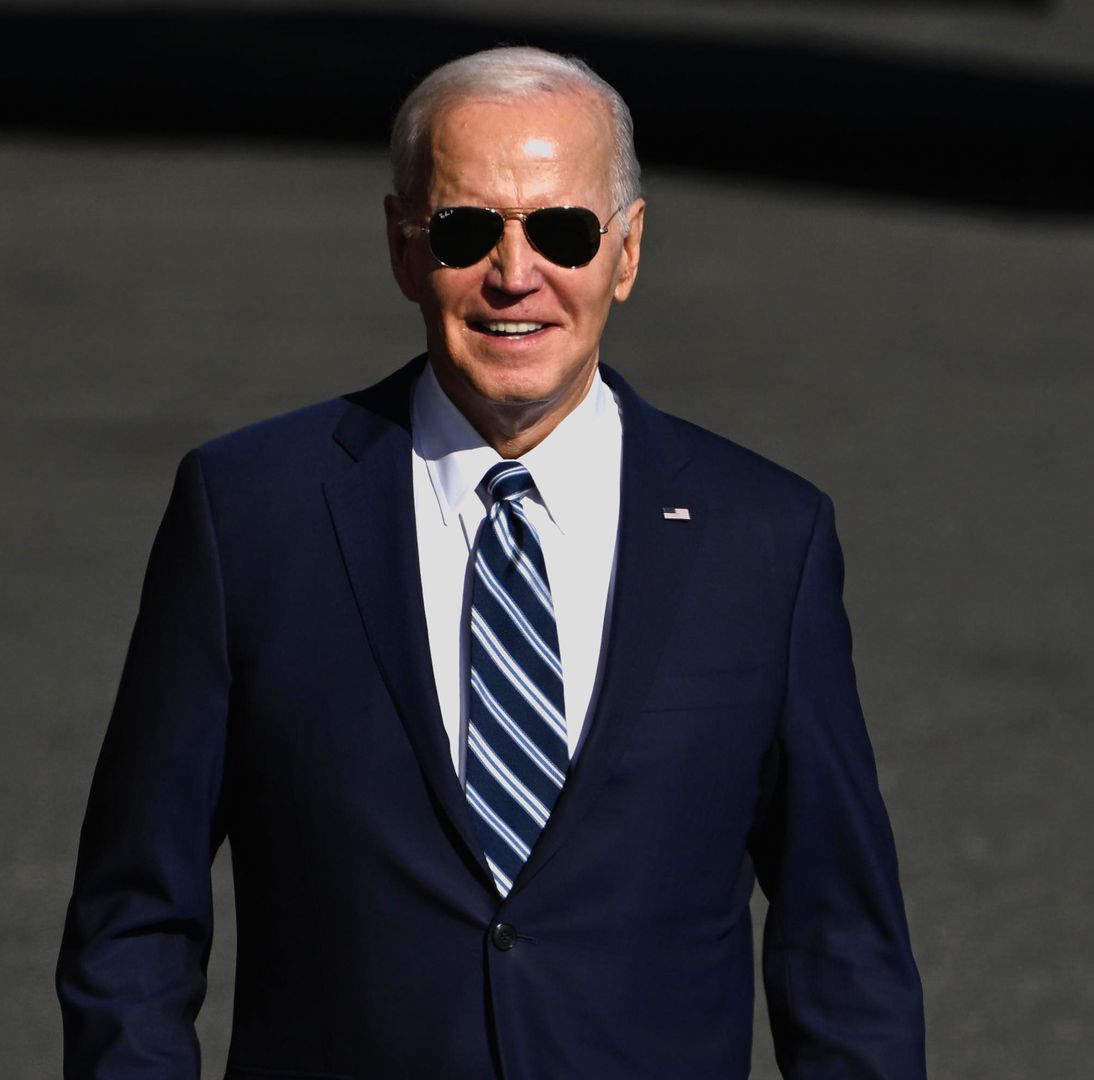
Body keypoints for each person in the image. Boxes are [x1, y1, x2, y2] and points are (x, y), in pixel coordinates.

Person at [56, 46, 925, 1079]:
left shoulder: (764, 539)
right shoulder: (249, 513)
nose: (517, 276)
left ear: (627, 251)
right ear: (402, 245)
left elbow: (845, 955)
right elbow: (133, 918)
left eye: (562, 230)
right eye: (469, 231)